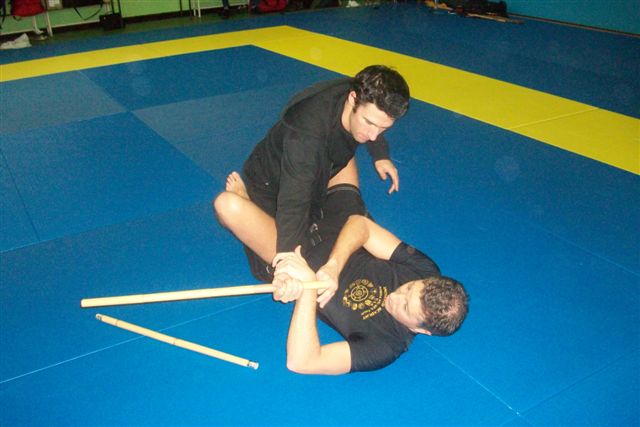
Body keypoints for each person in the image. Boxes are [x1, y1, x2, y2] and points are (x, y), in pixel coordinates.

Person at [214, 173, 468, 374]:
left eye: (404, 306)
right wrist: (333, 266)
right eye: (409, 288)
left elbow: (302, 362)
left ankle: (249, 203)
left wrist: (307, 288)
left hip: (298, 258)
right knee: (342, 136)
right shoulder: (426, 272)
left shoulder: (385, 345)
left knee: (227, 205)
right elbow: (361, 225)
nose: (396, 295)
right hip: (341, 232)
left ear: (422, 330)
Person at [216, 65, 410, 289]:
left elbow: (375, 124)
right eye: (369, 123)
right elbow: (294, 202)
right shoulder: (305, 137)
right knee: (229, 208)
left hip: (319, 169)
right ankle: (247, 200)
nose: (374, 135)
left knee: (342, 224)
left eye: (383, 128)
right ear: (352, 98)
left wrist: (380, 155)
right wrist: (289, 260)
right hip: (273, 184)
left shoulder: (364, 92)